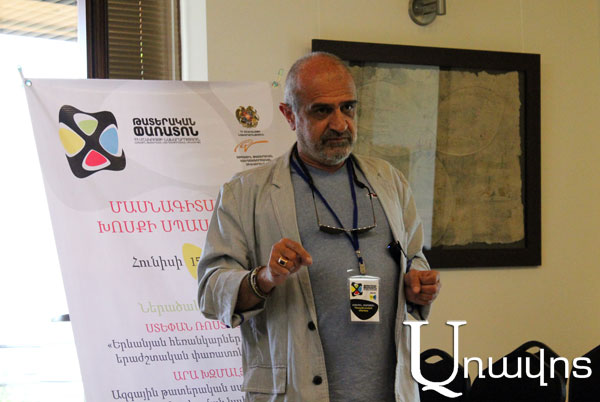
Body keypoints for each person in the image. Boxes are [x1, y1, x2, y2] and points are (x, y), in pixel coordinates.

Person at [198, 51, 441, 402]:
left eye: (348, 108)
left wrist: (418, 282)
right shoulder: (245, 193)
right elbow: (210, 290)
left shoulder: (390, 182)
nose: (340, 124)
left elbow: (413, 257)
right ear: (289, 115)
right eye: (322, 111)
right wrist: (265, 277)